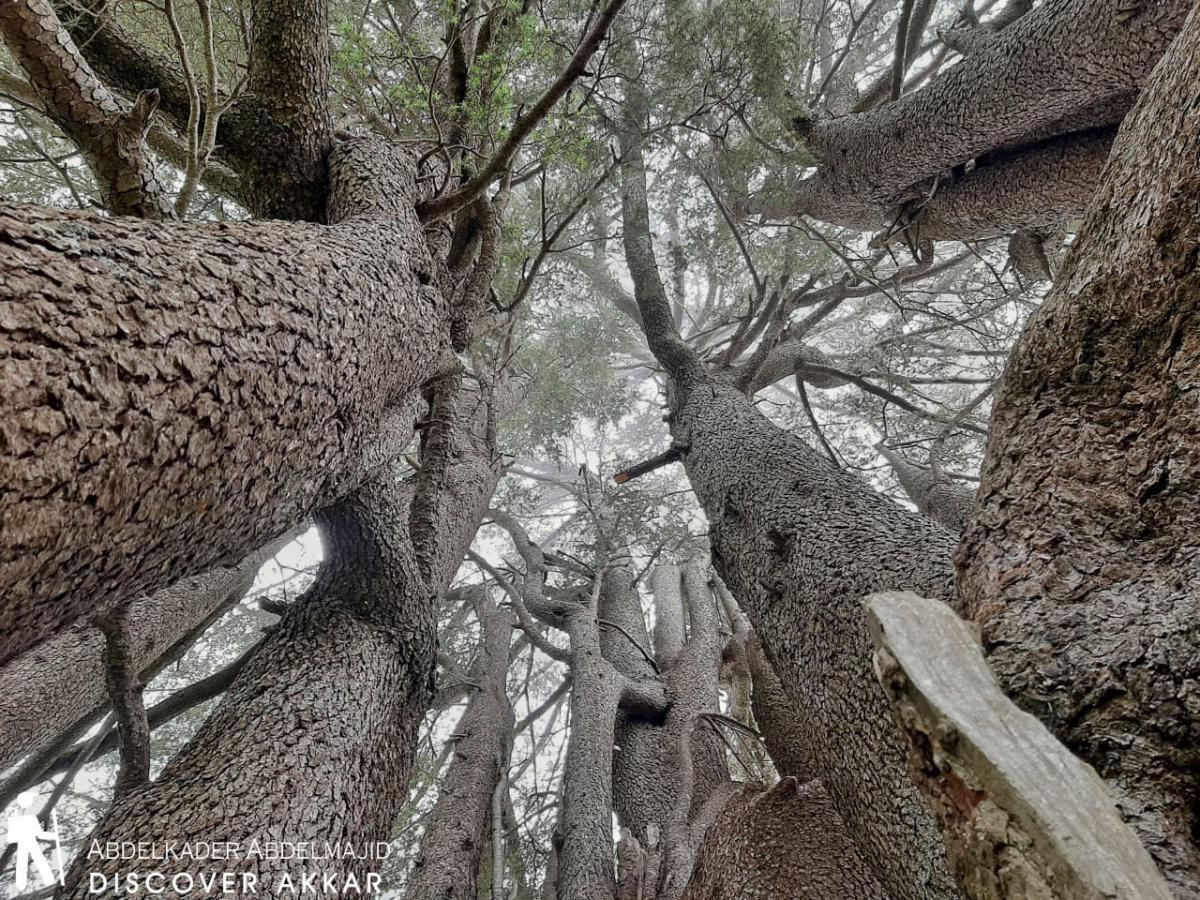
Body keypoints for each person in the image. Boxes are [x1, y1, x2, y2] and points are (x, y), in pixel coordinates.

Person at [7, 792, 58, 890]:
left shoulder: (28, 818)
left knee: (34, 861)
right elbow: (39, 834)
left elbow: (39, 834)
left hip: (28, 843)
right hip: (27, 843)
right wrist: (52, 836)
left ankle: (48, 880)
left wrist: (52, 836)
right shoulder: (25, 819)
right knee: (32, 861)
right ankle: (24, 884)